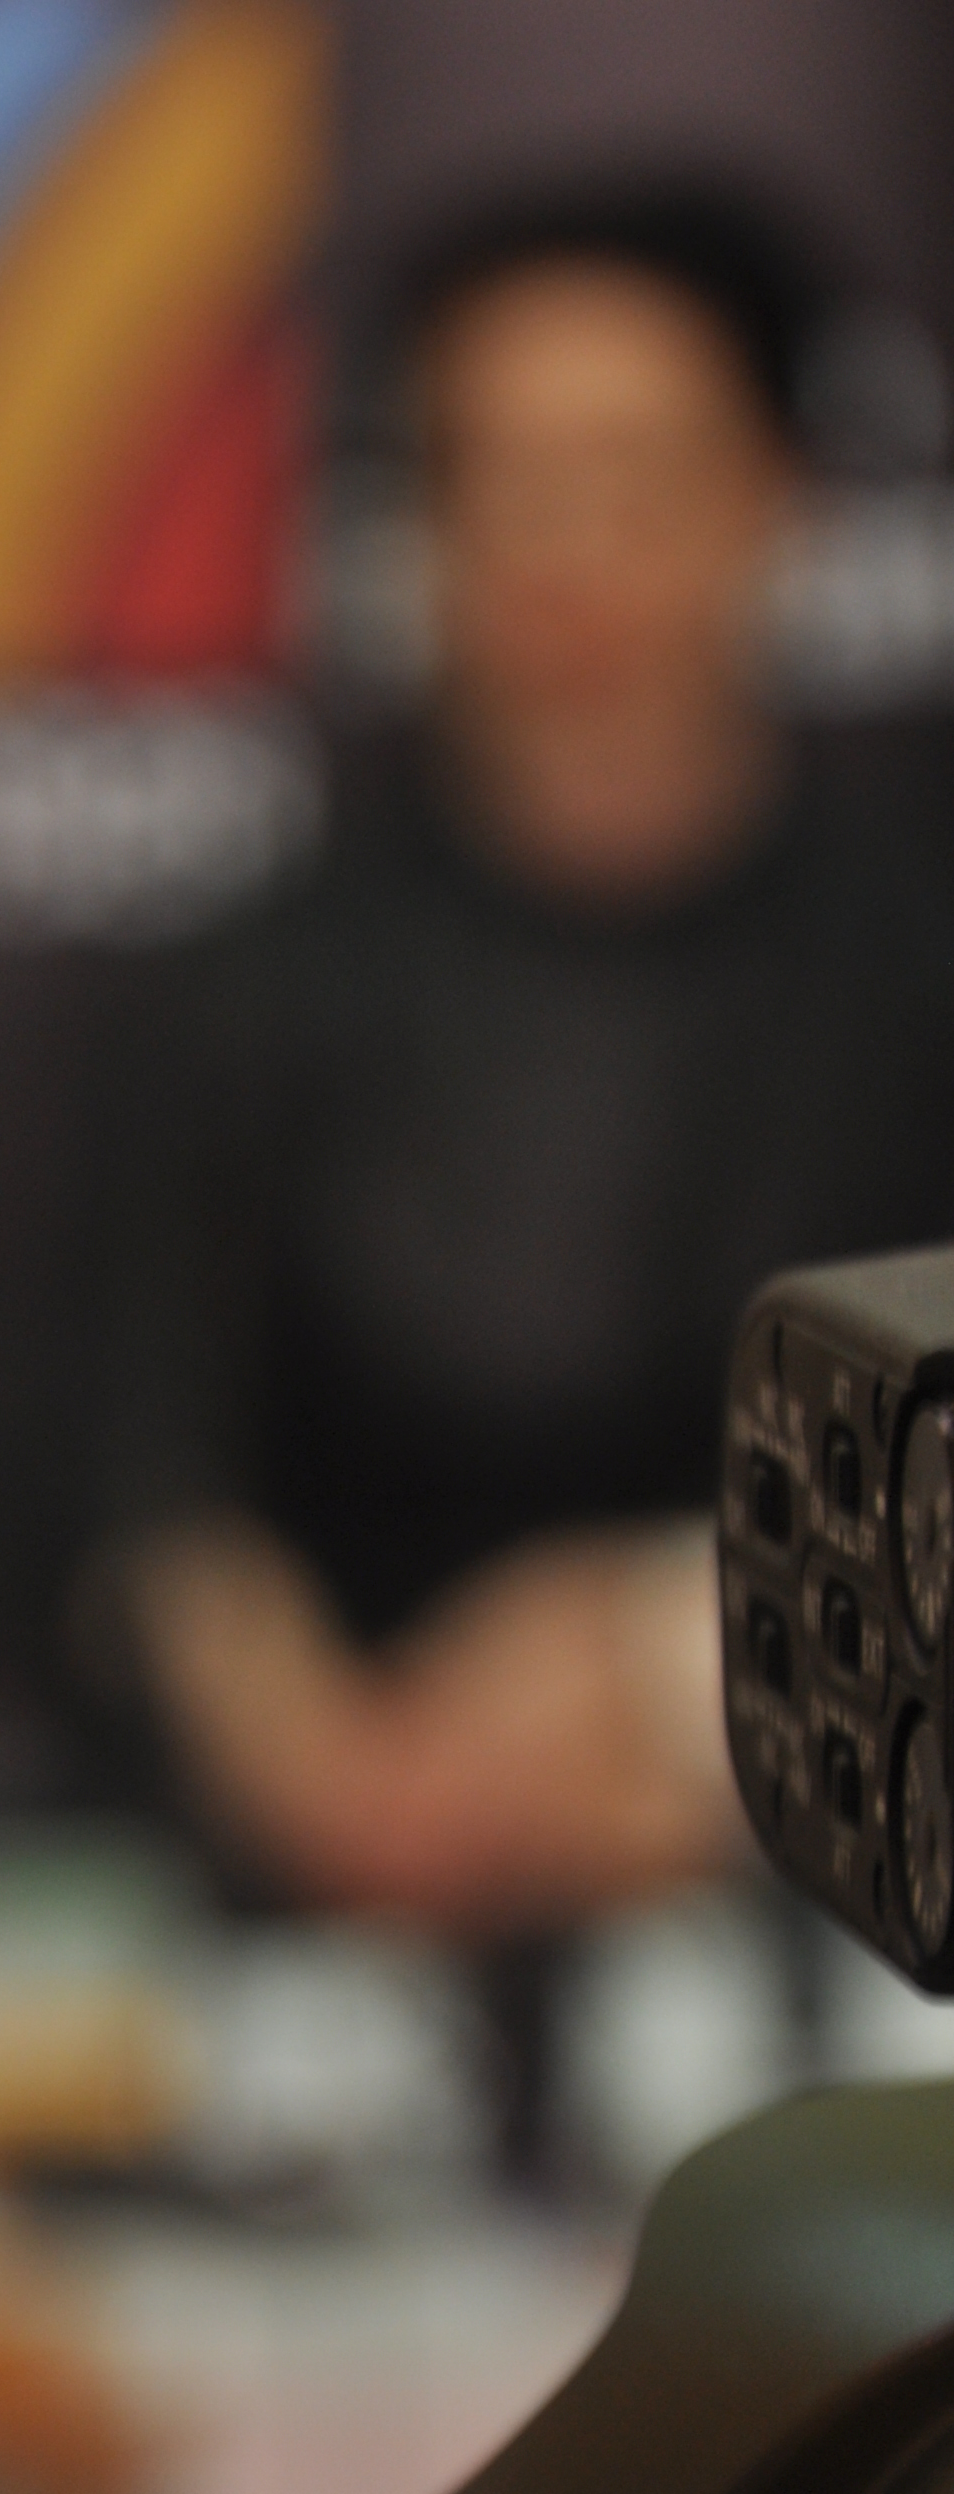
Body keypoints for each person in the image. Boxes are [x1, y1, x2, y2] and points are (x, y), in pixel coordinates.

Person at [97, 179, 954, 1939]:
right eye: (501, 480)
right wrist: (303, 1748)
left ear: (777, 498)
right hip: (346, 1908)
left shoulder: (914, 965)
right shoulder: (259, 971)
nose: (567, 557)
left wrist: (657, 1676)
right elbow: (142, 1473)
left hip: (829, 1905)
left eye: (635, 478)